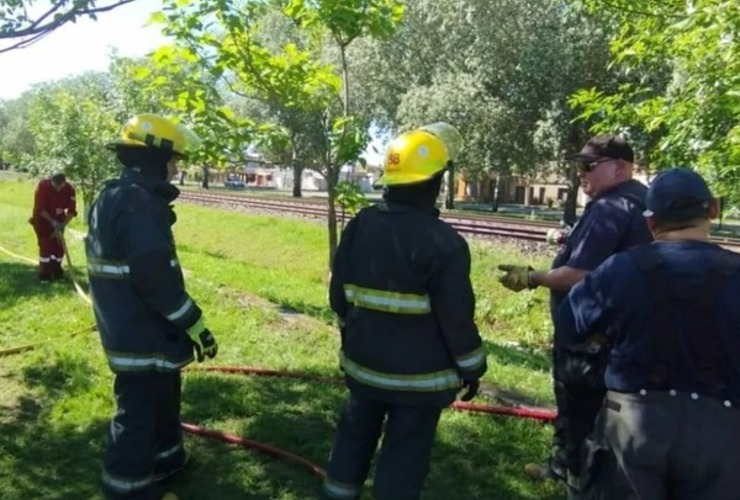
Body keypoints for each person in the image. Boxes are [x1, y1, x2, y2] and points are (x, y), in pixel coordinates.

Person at [323, 123, 487, 500]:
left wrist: (356, 340)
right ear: (435, 182)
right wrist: (473, 368)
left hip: (363, 369)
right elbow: (456, 320)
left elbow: (338, 297)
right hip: (419, 382)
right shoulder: (445, 244)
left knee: (352, 439)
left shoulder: (360, 225)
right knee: (404, 455)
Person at [558, 168, 740, 499]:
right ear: (713, 209)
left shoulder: (619, 270)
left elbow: (570, 326)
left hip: (634, 427)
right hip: (723, 432)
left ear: (651, 222)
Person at [496, 134, 653, 494]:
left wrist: (531, 277)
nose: (580, 174)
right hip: (625, 334)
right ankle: (601, 473)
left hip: (589, 338)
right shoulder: (644, 203)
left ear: (619, 167)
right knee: (611, 413)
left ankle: (571, 473)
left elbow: (580, 274)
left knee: (577, 405)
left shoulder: (611, 207)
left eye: (588, 166)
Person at [85, 114, 218, 500]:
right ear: (153, 160)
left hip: (133, 327)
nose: (177, 168)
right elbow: (157, 281)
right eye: (174, 159)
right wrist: (196, 326)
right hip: (141, 332)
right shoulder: (138, 205)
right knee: (138, 415)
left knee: (162, 398)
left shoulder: (120, 195)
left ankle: (167, 462)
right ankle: (127, 489)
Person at [29, 172, 77, 282]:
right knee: (46, 246)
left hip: (60, 220)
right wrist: (52, 222)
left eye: (59, 186)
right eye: (54, 185)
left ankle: (56, 271)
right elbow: (40, 209)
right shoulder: (43, 187)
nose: (57, 188)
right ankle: (45, 274)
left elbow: (71, 211)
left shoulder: (69, 189)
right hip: (42, 220)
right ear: (51, 182)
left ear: (64, 183)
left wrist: (62, 225)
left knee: (58, 247)